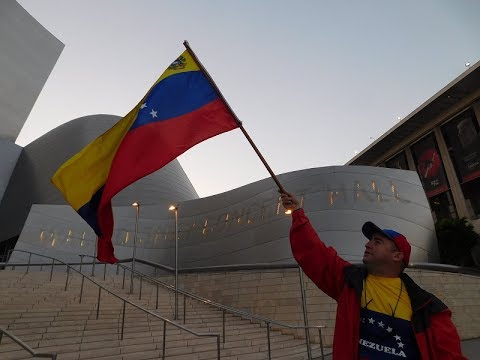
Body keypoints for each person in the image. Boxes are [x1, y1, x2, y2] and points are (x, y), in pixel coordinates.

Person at [280, 191, 466, 359]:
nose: (368, 244)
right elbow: (315, 254)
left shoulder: (429, 308)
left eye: (377, 241)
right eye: (370, 241)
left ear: (397, 255)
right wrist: (297, 212)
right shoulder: (349, 281)